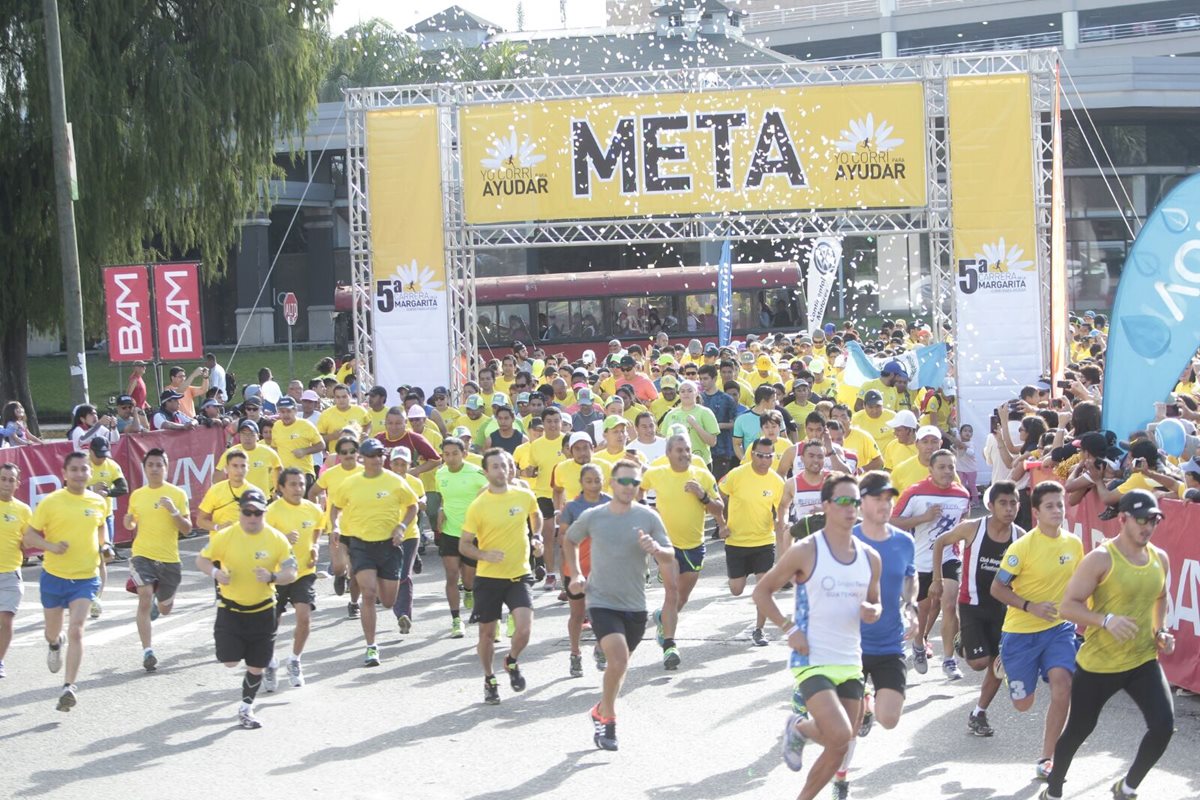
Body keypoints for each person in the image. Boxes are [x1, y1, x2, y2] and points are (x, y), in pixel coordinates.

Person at [752, 474, 882, 800]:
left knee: (842, 743)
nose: (850, 508)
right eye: (843, 501)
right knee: (839, 734)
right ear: (826, 506)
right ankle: (799, 728)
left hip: (850, 660)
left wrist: (873, 611)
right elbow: (762, 592)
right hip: (812, 657)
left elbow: (875, 601)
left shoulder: (870, 557)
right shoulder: (806, 550)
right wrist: (789, 628)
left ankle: (798, 730)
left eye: (855, 501)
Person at [1041, 490, 1175, 800]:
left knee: (1163, 726)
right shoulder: (1101, 558)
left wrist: (1160, 630)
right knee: (1078, 730)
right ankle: (1054, 789)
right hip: (1100, 664)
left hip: (1143, 660)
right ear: (1123, 519)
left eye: (1153, 520)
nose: (1148, 527)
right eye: (1141, 520)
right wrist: (1105, 619)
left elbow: (1161, 596)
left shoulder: (1160, 558)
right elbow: (1067, 606)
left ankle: (1126, 788)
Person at [565, 458, 674, 751]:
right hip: (601, 600)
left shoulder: (649, 517)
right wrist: (575, 573)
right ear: (612, 483)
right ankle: (609, 721)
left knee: (619, 664)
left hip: (635, 604)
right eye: (623, 481)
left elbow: (669, 554)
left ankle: (601, 708)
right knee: (619, 659)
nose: (628, 487)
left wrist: (657, 549)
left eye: (634, 482)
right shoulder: (594, 515)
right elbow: (569, 539)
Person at [830, 471, 916, 800]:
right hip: (849, 644)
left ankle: (870, 705)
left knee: (890, 719)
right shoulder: (842, 539)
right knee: (848, 722)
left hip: (889, 642)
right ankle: (841, 776)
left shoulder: (903, 541)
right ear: (860, 501)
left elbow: (911, 579)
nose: (885, 504)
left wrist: (911, 606)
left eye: (888, 498)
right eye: (877, 498)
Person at [989, 481, 1083, 781]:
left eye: (1060, 505)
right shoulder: (1021, 549)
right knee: (1023, 704)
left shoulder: (1074, 544)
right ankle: (1005, 662)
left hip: (1058, 629)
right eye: (1050, 506)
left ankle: (1047, 757)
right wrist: (1029, 606)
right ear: (1036, 512)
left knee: (1063, 685)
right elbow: (997, 587)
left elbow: (1082, 586)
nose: (1057, 511)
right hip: (1021, 632)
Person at [930, 480, 1024, 737]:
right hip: (971, 604)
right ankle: (962, 640)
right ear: (991, 506)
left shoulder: (1022, 538)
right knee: (979, 663)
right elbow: (940, 542)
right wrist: (937, 580)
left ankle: (979, 713)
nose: (1008, 509)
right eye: (1003, 503)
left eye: (1013, 503)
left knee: (997, 664)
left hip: (1003, 610)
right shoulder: (973, 529)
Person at [196, 488, 295, 728]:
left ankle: (246, 709)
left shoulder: (276, 538)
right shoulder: (227, 536)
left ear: (264, 513)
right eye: (247, 512)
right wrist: (216, 572)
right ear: (240, 512)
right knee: (229, 660)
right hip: (231, 610)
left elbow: (291, 572)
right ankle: (263, 661)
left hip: (263, 611)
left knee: (255, 666)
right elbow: (201, 559)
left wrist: (272, 576)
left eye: (257, 513)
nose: (252, 517)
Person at [21, 451, 111, 711]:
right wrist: (50, 545)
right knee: (54, 631)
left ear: (90, 473)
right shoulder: (51, 502)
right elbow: (29, 537)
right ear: (64, 473)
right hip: (54, 576)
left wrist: (104, 546)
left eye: (84, 469)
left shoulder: (98, 502)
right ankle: (53, 643)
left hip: (85, 577)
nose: (80, 474)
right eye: (74, 469)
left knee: (77, 629)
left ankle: (69, 686)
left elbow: (100, 528)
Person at [459, 448, 542, 705]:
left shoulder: (524, 495)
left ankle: (512, 660)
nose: (500, 470)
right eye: (494, 466)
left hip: (519, 573)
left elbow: (535, 515)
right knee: (486, 635)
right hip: (489, 578)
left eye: (504, 465)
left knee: (525, 629)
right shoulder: (478, 505)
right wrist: (483, 555)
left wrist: (536, 536)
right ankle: (489, 678)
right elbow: (464, 545)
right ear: (486, 472)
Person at [329, 438, 418, 667]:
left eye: (379, 455)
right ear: (363, 458)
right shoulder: (350, 483)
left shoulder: (394, 481)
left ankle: (378, 579)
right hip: (361, 546)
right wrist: (336, 526)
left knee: (387, 601)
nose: (376, 459)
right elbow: (335, 508)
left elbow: (412, 505)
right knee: (368, 594)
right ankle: (371, 647)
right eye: (371, 455)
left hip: (389, 546)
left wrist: (402, 526)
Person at [639, 433, 721, 670]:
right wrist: (645, 510)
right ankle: (670, 646)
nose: (685, 454)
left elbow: (719, 509)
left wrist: (702, 495)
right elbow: (639, 489)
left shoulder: (702, 476)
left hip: (694, 546)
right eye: (679, 450)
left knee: (681, 598)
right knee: (672, 593)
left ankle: (663, 618)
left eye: (687, 450)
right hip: (666, 546)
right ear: (668, 454)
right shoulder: (658, 473)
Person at [890, 449, 971, 678]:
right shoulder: (915, 493)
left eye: (951, 467)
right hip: (919, 559)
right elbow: (893, 522)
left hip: (949, 557)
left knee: (948, 603)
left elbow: (962, 522)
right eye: (942, 467)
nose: (947, 472)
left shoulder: (961, 494)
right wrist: (923, 518)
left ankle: (948, 659)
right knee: (923, 610)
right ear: (930, 470)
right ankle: (918, 644)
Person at [123, 449, 191, 672]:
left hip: (169, 559)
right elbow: (130, 524)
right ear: (144, 468)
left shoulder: (177, 494)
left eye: (159, 465)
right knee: (144, 595)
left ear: (166, 468)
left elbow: (187, 529)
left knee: (165, 609)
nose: (154, 469)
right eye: (150, 464)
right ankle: (147, 651)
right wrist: (129, 521)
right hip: (143, 554)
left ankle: (158, 603)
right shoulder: (138, 495)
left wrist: (173, 511)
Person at [718, 437, 786, 647]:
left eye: (769, 456)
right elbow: (719, 492)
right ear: (751, 454)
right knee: (736, 589)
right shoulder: (737, 475)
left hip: (764, 541)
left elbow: (781, 508)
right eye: (760, 455)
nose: (764, 460)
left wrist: (779, 522)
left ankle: (759, 630)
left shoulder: (776, 481)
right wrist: (722, 521)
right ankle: (743, 580)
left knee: (763, 589)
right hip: (736, 541)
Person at [260, 467, 324, 690]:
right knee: (270, 624)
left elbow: (318, 528)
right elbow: (260, 542)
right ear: (281, 487)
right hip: (277, 575)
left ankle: (295, 660)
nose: (298, 489)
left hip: (303, 572)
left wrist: (315, 547)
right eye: (293, 485)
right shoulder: (271, 512)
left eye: (301, 484)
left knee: (304, 617)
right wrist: (282, 539)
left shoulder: (313, 509)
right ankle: (269, 662)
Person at [558, 463, 610, 677]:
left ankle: (600, 647)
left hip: (602, 569)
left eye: (597, 480)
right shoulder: (572, 507)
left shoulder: (610, 503)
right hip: (577, 568)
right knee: (577, 614)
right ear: (581, 483)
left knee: (603, 612)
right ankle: (575, 653)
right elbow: (563, 537)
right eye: (589, 481)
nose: (593, 485)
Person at [435, 437, 488, 638]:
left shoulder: (476, 474)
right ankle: (456, 620)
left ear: (464, 453)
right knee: (451, 576)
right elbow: (443, 497)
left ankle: (468, 590)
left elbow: (490, 495)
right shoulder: (440, 474)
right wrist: (441, 510)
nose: (450, 458)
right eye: (446, 454)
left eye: (455, 453)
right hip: (449, 532)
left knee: (469, 578)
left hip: (471, 535)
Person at [309, 436, 363, 615]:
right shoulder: (330, 474)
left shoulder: (366, 473)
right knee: (339, 566)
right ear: (338, 455)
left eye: (352, 451)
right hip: (336, 527)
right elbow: (312, 492)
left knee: (355, 570)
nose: (348, 455)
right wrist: (317, 510)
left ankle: (354, 603)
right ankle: (340, 576)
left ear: (358, 453)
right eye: (344, 452)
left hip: (360, 528)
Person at [517, 407, 566, 590]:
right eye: (549, 421)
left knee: (565, 537)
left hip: (566, 495)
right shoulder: (536, 445)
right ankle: (551, 575)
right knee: (547, 536)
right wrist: (529, 471)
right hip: (543, 493)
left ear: (561, 422)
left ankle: (567, 575)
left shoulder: (567, 441)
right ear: (543, 424)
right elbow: (533, 468)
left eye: (556, 421)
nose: (553, 425)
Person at [386, 447, 425, 635]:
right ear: (390, 464)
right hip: (388, 535)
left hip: (410, 534)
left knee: (404, 576)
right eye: (396, 463)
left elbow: (421, 498)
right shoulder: (384, 482)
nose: (399, 467)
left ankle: (403, 615)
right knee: (392, 576)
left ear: (410, 465)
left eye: (403, 464)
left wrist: (422, 502)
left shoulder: (415, 482)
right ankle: (415, 557)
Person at [0, 463, 31, 678]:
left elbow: (27, 541)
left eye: (11, 480)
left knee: (6, 619)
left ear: (17, 484)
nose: (6, 483)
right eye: (3, 478)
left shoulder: (23, 510)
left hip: (10, 572)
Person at [658, 380, 720, 468]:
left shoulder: (705, 412)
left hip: (700, 463)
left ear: (696, 393)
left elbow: (712, 442)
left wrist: (695, 425)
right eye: (682, 391)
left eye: (690, 391)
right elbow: (663, 440)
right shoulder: (671, 414)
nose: (686, 394)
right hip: (676, 463)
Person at [198, 450, 252, 533]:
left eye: (243, 466)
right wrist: (218, 527)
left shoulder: (255, 493)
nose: (239, 470)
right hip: (221, 542)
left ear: (248, 468)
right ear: (226, 468)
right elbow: (200, 521)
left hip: (246, 542)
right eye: (235, 466)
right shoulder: (216, 490)